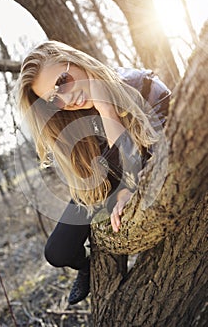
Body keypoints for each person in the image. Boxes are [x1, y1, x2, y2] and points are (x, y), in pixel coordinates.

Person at [17, 40, 171, 305]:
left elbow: (159, 163)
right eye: (54, 99)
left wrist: (107, 110)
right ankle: (86, 266)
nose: (66, 99)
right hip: (105, 181)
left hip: (145, 173)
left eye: (62, 81)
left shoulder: (145, 87)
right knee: (57, 253)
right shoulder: (71, 119)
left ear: (74, 59)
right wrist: (116, 191)